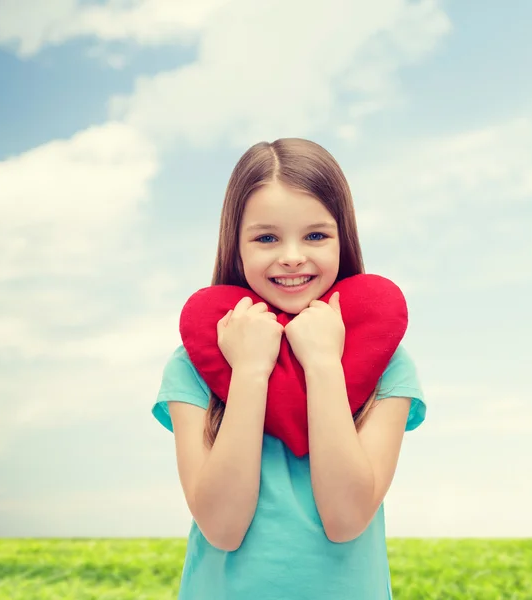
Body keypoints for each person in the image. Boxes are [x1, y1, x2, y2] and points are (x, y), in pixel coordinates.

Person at [152, 138, 427, 599]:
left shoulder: (387, 362)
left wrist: (322, 364)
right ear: (236, 247)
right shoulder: (193, 364)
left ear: (344, 240)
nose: (293, 256)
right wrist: (250, 371)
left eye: (316, 235)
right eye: (266, 238)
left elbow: (346, 519)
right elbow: (221, 528)